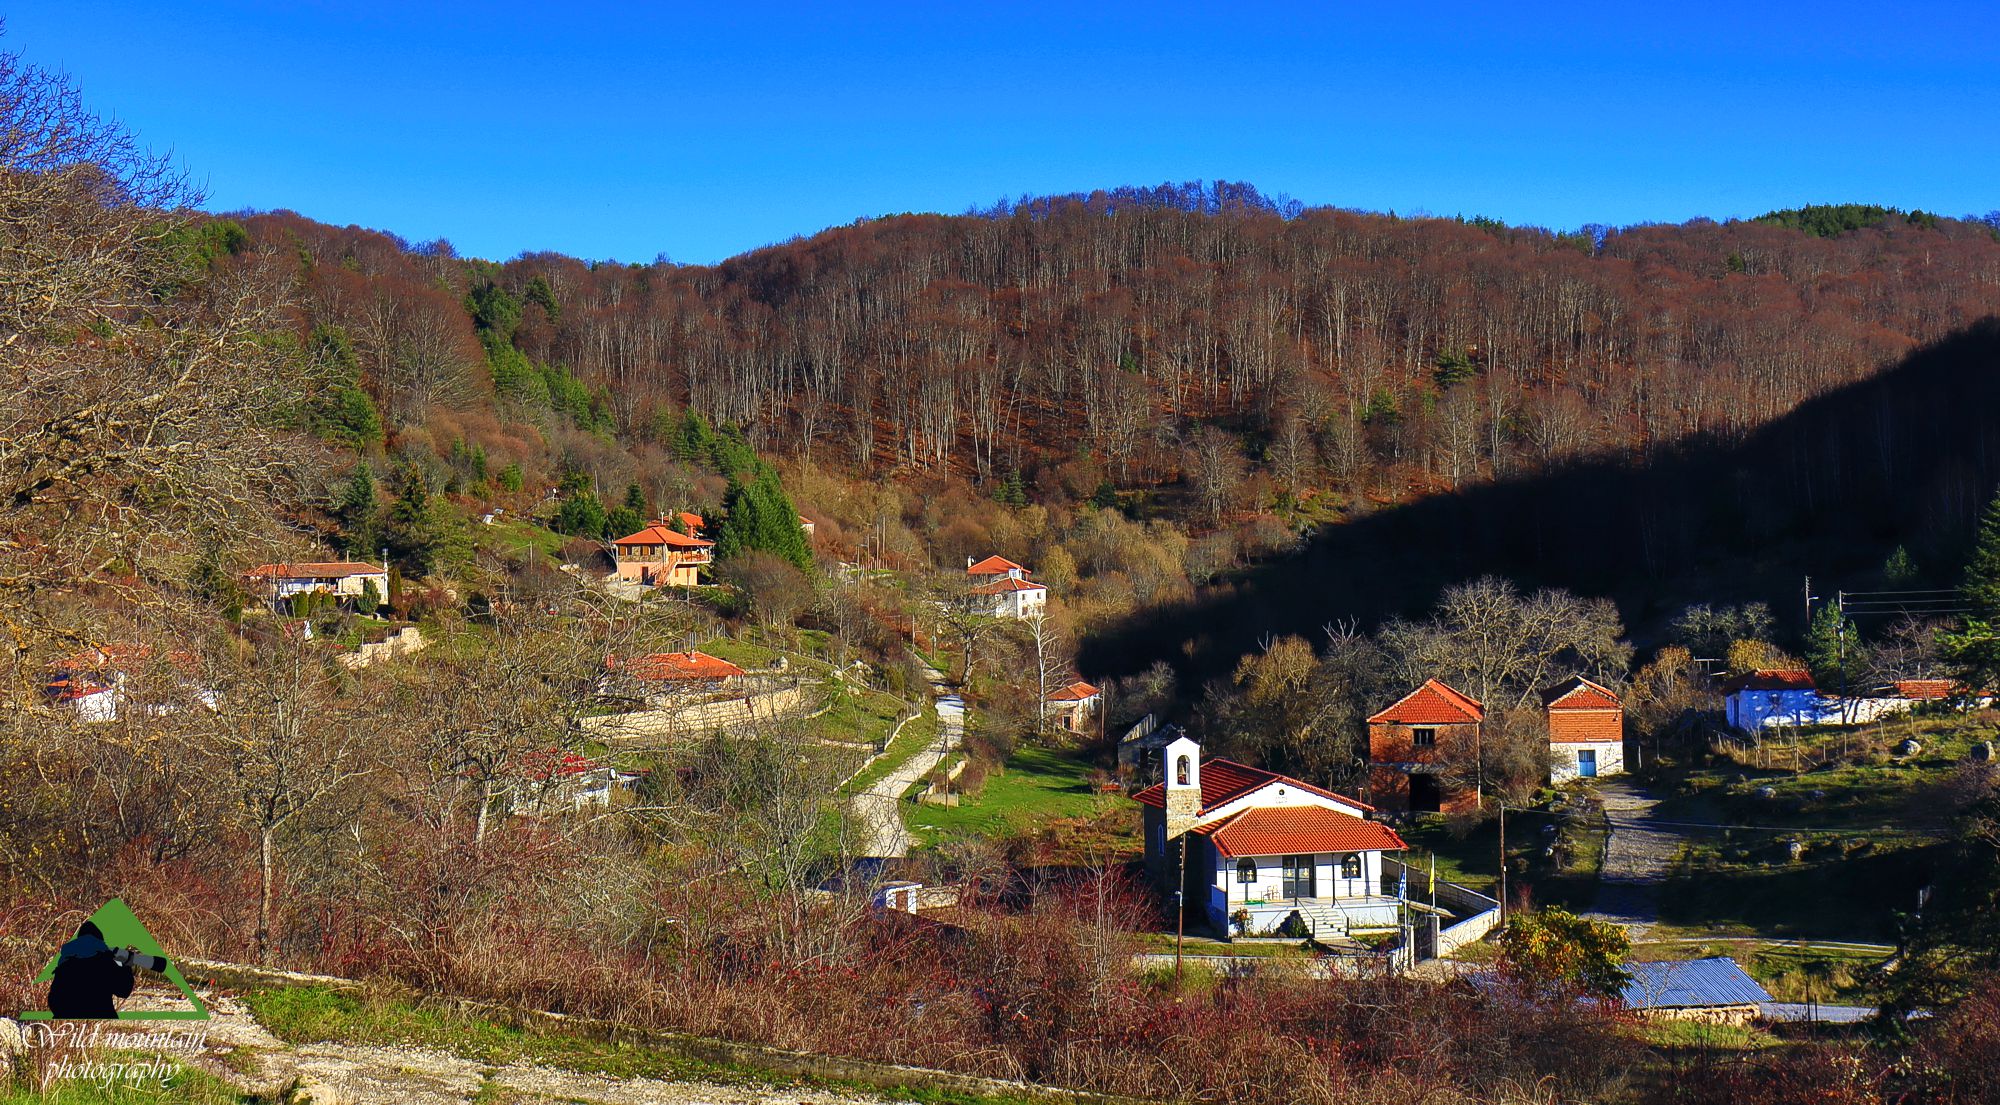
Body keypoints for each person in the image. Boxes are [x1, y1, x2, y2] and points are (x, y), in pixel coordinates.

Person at [45, 920, 134, 1018]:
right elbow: (123, 991)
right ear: (100, 941)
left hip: (69, 1020)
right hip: (101, 1017)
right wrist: (125, 967)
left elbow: (54, 1000)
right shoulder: (106, 961)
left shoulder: (66, 962)